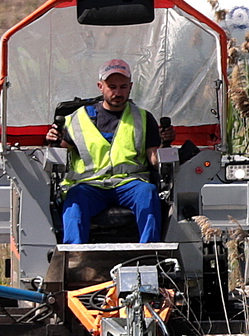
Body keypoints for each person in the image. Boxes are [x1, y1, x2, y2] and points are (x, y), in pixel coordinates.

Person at [47, 57, 164, 245]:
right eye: (112, 86)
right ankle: (73, 256)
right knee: (74, 198)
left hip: (130, 184)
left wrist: (165, 145)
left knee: (148, 192)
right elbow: (60, 151)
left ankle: (149, 253)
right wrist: (53, 138)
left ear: (131, 86)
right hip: (90, 186)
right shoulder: (77, 119)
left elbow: (153, 158)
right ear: (100, 86)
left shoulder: (143, 118)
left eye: (123, 87)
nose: (118, 92)